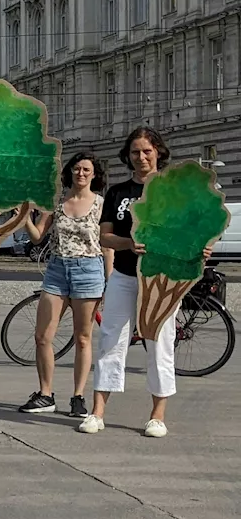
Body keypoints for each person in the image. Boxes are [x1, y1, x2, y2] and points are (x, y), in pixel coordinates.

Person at [83, 127, 211, 438]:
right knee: (111, 340)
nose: (141, 157)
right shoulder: (118, 192)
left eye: (146, 151)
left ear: (158, 153)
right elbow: (105, 236)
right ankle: (97, 412)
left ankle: (157, 416)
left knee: (160, 343)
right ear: (127, 156)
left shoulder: (174, 190)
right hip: (126, 276)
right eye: (135, 152)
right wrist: (128, 244)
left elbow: (197, 227)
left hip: (163, 279)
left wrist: (204, 247)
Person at [15, 152, 109, 417]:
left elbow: (107, 246)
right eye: (77, 169)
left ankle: (78, 397)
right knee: (43, 336)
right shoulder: (56, 203)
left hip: (89, 270)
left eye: (86, 170)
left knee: (83, 338)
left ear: (94, 174)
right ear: (70, 172)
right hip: (57, 270)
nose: (81, 173)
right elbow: (36, 237)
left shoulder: (101, 205)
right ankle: (45, 394)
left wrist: (108, 281)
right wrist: (23, 216)